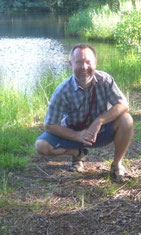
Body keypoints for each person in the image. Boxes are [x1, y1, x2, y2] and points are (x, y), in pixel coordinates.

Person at [35, 43, 133, 182]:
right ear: (70, 64)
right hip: (72, 135)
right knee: (41, 145)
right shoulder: (62, 91)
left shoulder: (105, 80)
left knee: (126, 120)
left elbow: (123, 104)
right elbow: (50, 125)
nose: (84, 67)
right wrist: (77, 136)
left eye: (88, 62)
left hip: (100, 133)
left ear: (95, 63)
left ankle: (117, 164)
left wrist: (99, 122)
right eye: (79, 62)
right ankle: (78, 154)